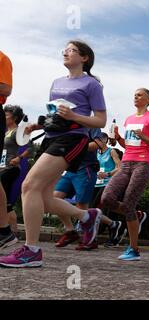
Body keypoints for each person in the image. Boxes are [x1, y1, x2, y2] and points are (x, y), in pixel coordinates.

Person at [0, 41, 107, 267]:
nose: (66, 53)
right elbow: (54, 113)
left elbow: (100, 120)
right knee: (46, 200)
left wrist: (74, 117)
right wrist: (37, 126)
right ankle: (87, 217)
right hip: (51, 137)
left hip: (74, 138)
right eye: (65, 50)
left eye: (71, 50)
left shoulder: (92, 84)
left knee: (29, 186)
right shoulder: (56, 82)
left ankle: (31, 251)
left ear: (85, 58)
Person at [102, 88, 149, 261]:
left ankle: (134, 249)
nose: (135, 96)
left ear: (148, 100)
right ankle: (136, 216)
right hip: (126, 163)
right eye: (134, 94)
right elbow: (128, 145)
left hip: (143, 163)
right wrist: (117, 138)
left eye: (139, 94)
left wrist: (144, 137)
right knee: (107, 198)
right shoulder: (129, 119)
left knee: (129, 202)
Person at [53, 129, 122, 250]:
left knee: (83, 207)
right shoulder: (68, 124)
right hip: (70, 169)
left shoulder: (91, 125)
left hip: (87, 171)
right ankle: (70, 231)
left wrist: (108, 174)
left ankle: (91, 238)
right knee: (54, 199)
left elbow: (99, 145)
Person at [0, 105, 30, 235]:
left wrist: (19, 158)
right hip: (3, 167)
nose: (4, 118)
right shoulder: (6, 131)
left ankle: (8, 231)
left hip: (11, 168)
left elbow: (31, 148)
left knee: (3, 199)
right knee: (4, 201)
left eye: (7, 115)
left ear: (15, 118)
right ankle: (12, 230)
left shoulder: (18, 131)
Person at [0, 50, 17, 249]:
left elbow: (6, 88)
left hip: (13, 166)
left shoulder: (2, 57)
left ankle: (5, 230)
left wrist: (18, 158)